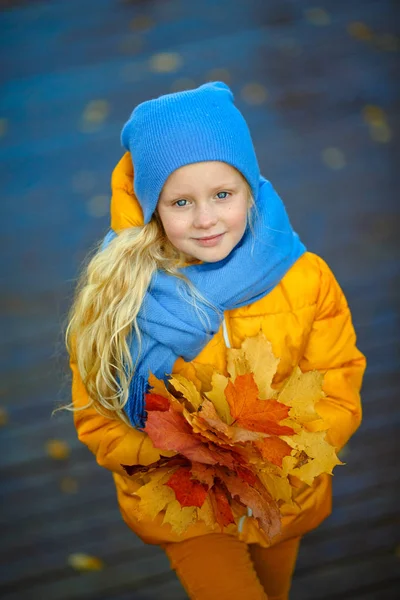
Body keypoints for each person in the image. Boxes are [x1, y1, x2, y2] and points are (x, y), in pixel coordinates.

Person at [66, 82, 366, 599]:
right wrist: (168, 451)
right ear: (153, 208)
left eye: (223, 195)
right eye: (180, 202)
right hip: (189, 506)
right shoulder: (119, 298)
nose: (205, 219)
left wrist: (278, 455)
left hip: (282, 496)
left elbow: (339, 383)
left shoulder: (306, 279)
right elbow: (97, 416)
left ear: (251, 189)